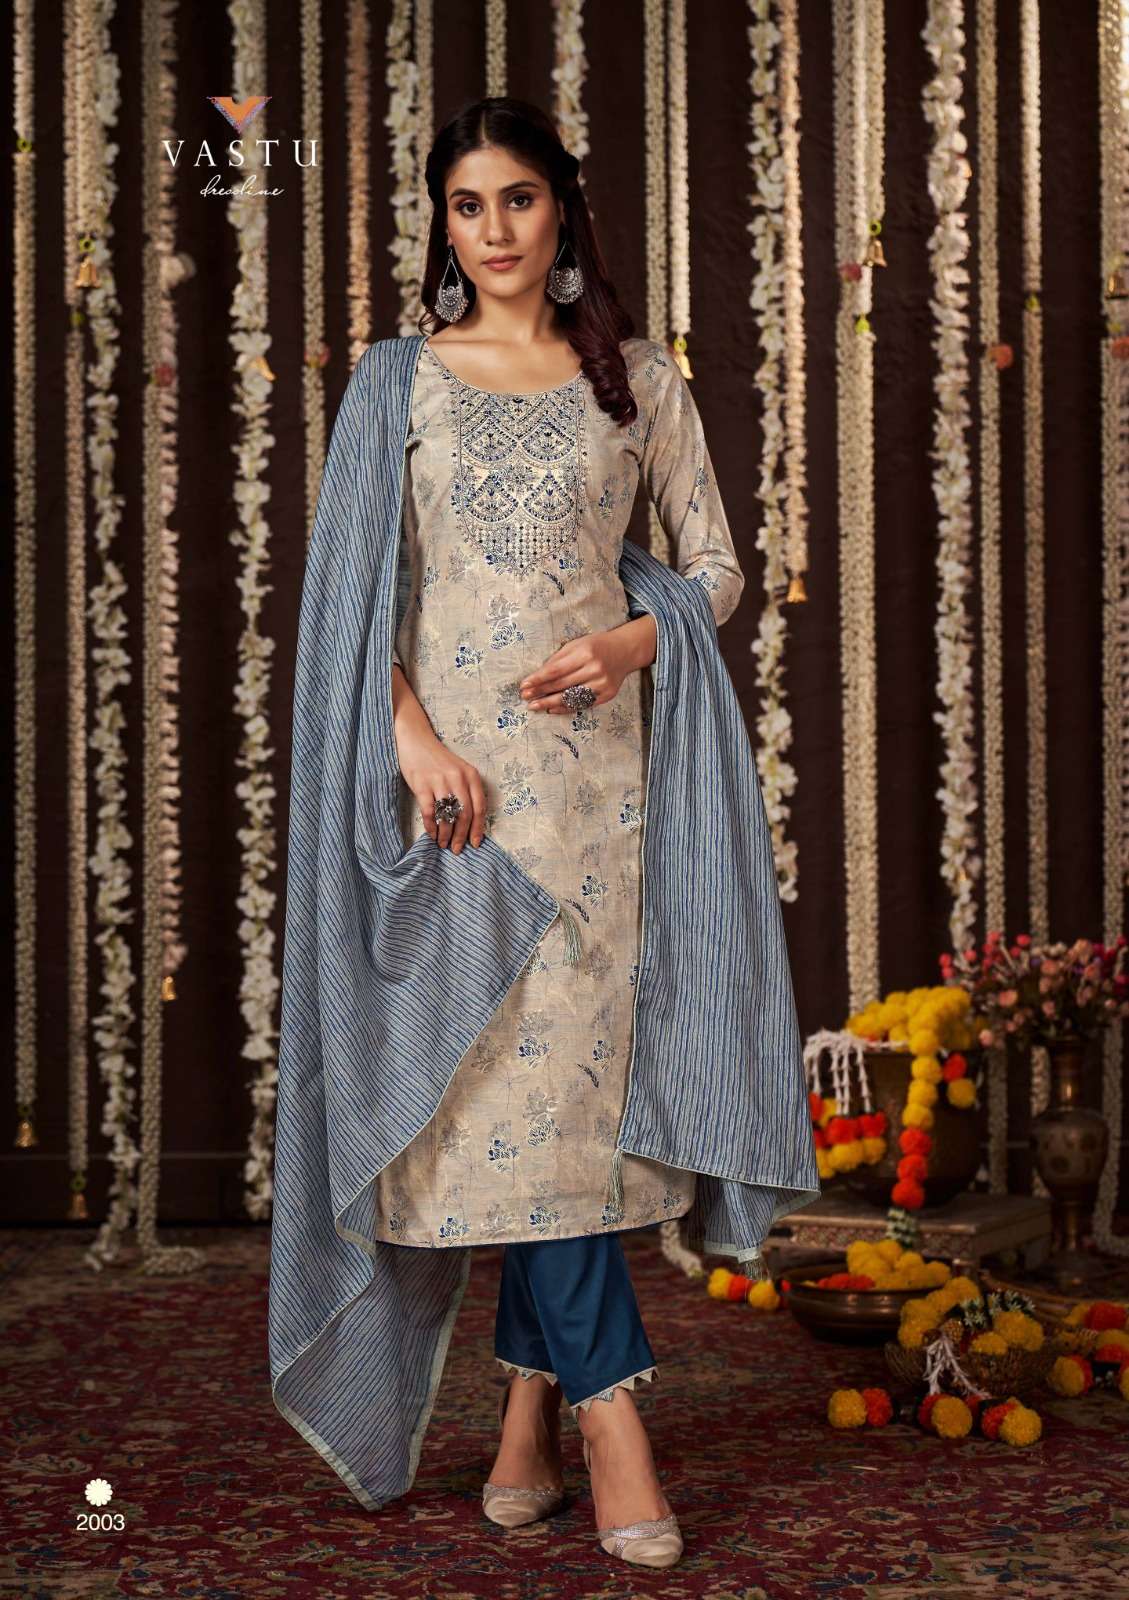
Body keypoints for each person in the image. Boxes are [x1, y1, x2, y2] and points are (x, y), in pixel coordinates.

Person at [268, 93, 820, 1573]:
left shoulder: (636, 381)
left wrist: (636, 641)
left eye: (518, 199)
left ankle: (540, 1415)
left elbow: (717, 567)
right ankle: (607, 1420)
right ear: (442, 225)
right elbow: (354, 605)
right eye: (468, 205)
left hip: (601, 811)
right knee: (503, 1114)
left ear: (562, 209)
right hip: (455, 811)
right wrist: (413, 742)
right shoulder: (396, 383)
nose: (495, 230)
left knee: (562, 1123)